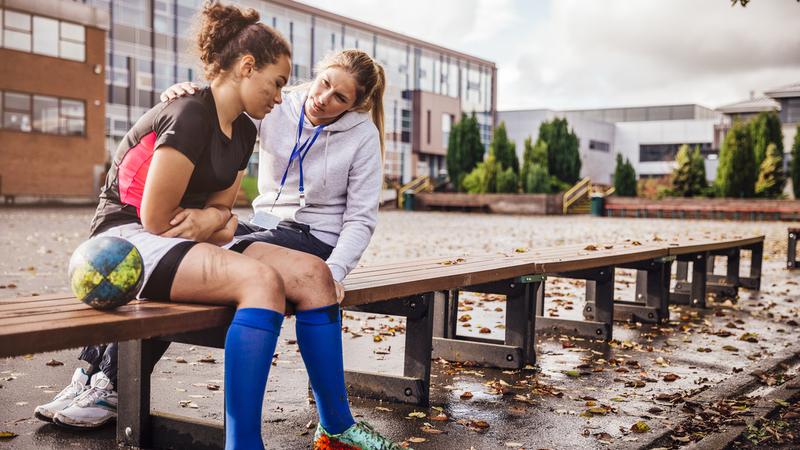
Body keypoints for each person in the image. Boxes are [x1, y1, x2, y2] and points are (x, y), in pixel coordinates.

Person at [35, 3, 404, 449]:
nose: (289, 96)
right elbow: (159, 218)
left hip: (198, 234)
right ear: (248, 67)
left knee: (315, 276)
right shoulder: (195, 112)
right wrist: (217, 218)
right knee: (260, 281)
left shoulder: (250, 129)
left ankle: (337, 428)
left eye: (337, 95)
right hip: (129, 242)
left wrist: (215, 220)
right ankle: (232, 438)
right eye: (280, 83)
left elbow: (225, 220)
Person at [161, 49, 391, 448]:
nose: (325, 99)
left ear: (357, 105)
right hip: (262, 225)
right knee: (181, 247)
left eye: (341, 98)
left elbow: (360, 219)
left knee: (192, 259)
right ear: (316, 75)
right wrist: (189, 94)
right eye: (324, 84)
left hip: (313, 237)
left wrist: (335, 271)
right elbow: (226, 106)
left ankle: (329, 426)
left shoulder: (362, 135)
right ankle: (102, 378)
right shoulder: (279, 104)